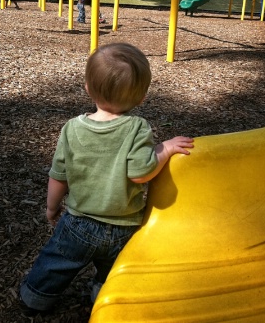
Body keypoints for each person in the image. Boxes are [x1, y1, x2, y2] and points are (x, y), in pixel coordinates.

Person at [19, 42, 194, 317]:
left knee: (56, 262)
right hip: (123, 224)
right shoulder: (136, 127)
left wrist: (52, 207)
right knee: (113, 270)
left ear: (88, 88)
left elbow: (59, 175)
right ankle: (103, 299)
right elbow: (141, 172)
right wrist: (165, 149)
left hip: (79, 221)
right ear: (141, 98)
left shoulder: (72, 128)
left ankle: (34, 299)